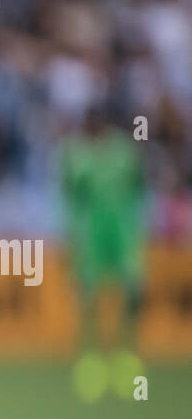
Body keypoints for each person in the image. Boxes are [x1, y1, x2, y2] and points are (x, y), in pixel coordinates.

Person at [60, 106, 148, 403]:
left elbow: (139, 186)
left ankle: (126, 355)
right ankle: (91, 358)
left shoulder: (124, 150)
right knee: (89, 296)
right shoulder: (75, 154)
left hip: (123, 232)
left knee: (132, 292)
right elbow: (69, 194)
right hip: (90, 235)